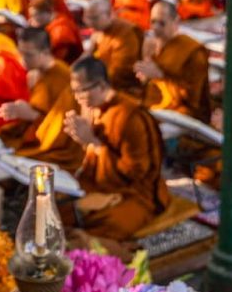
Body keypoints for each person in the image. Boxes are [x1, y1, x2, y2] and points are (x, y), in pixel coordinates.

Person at [65, 57, 172, 241]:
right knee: (58, 207)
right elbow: (91, 162)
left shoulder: (131, 117)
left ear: (100, 85)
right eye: (74, 91)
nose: (77, 98)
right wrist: (85, 142)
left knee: (103, 225)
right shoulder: (94, 108)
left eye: (81, 91)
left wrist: (93, 143)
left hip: (136, 194)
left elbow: (137, 173)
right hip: (99, 184)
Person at [1, 27, 85, 171]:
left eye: (28, 55)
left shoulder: (62, 77)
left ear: (45, 52)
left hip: (55, 143)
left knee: (17, 160)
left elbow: (63, 125)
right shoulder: (37, 73)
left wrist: (31, 114)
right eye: (20, 53)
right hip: (34, 132)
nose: (22, 59)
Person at [136, 2, 212, 122]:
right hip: (151, 106)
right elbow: (147, 87)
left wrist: (161, 76)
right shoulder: (150, 45)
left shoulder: (193, 52)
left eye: (162, 23)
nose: (155, 28)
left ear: (176, 22)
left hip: (181, 113)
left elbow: (192, 100)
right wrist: (145, 78)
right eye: (153, 22)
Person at [84, 0, 144, 95]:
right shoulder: (99, 31)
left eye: (94, 18)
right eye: (87, 18)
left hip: (121, 89)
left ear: (109, 14)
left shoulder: (126, 33)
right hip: (98, 82)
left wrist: (91, 82)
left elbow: (120, 71)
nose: (90, 23)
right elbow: (86, 60)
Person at [29, 0, 83, 64]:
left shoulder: (60, 31)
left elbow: (57, 61)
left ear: (47, 12)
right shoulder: (51, 23)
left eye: (34, 16)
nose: (32, 20)